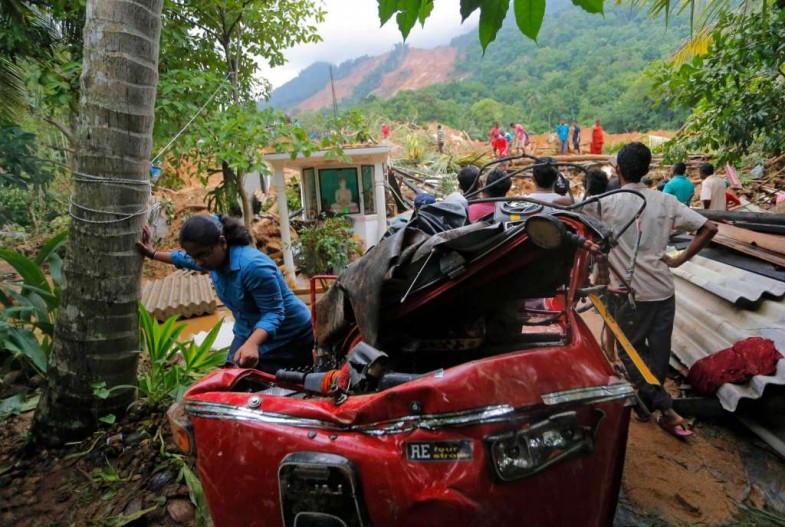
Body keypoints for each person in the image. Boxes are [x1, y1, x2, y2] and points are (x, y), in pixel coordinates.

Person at [597, 142, 717, 439]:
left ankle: (664, 408)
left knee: (630, 352)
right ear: (647, 169)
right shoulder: (665, 201)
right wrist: (679, 259)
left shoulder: (606, 203)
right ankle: (647, 405)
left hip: (629, 294)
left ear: (618, 170)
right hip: (663, 291)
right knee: (659, 353)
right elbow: (709, 227)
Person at [137, 215, 314, 373]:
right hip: (247, 330)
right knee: (232, 378)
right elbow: (184, 259)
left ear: (222, 242)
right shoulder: (211, 259)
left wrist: (253, 344)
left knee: (275, 391)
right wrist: (152, 253)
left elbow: (274, 312)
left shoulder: (253, 267)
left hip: (289, 336)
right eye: (194, 256)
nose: (198, 262)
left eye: (201, 255)